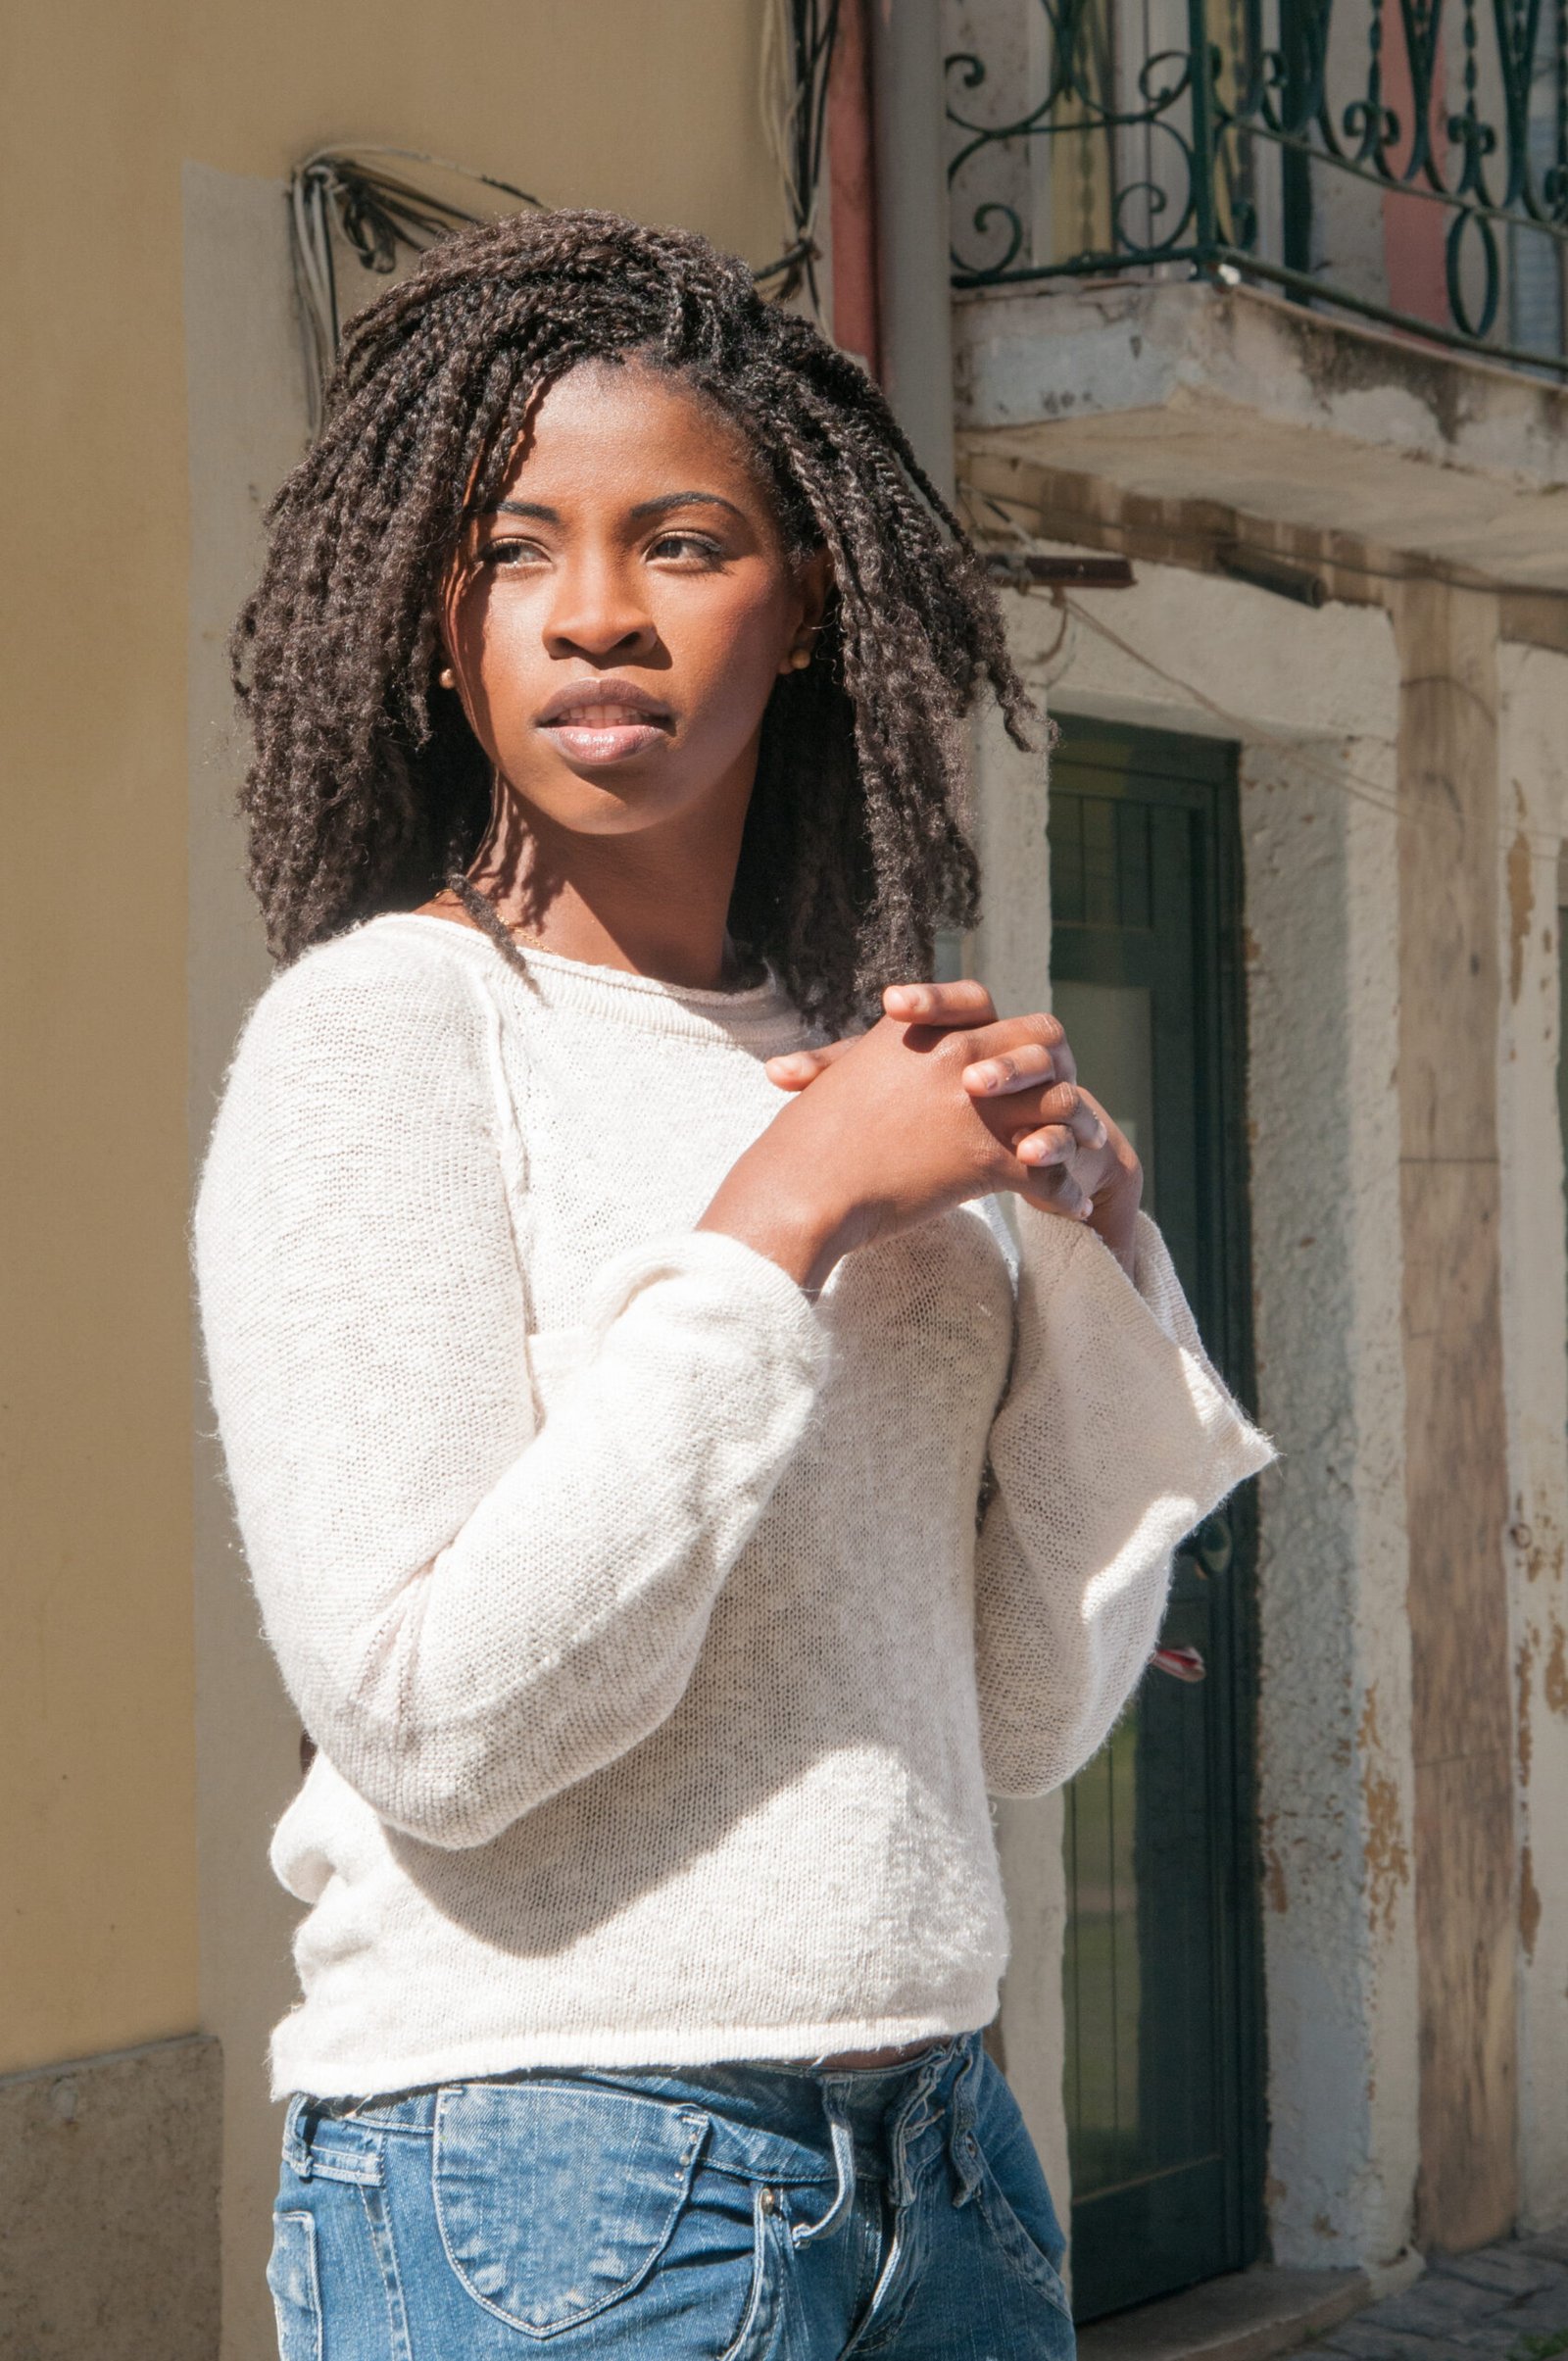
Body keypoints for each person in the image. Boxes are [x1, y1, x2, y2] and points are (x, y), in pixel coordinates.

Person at [196, 208, 1270, 2361]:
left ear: (809, 614)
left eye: (681, 541)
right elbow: (427, 1715)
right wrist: (773, 1226)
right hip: (547, 2171)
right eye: (518, 549)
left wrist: (1087, 1264)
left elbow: (1006, 1721)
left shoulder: (836, 1064)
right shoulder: (384, 1038)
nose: (595, 612)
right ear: (435, 623)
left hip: (940, 2145)